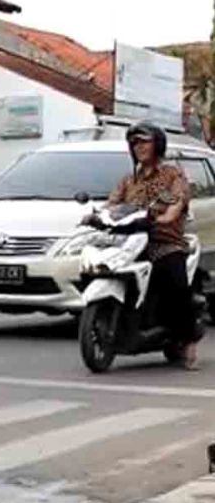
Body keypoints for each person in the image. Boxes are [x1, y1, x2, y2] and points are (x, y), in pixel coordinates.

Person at [105, 120, 201, 369]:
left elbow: (177, 201)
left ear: (157, 144)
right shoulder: (128, 181)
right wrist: (96, 216)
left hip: (164, 242)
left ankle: (188, 340)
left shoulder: (172, 175)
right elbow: (112, 205)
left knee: (177, 284)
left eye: (144, 141)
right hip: (131, 243)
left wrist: (168, 216)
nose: (139, 147)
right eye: (134, 143)